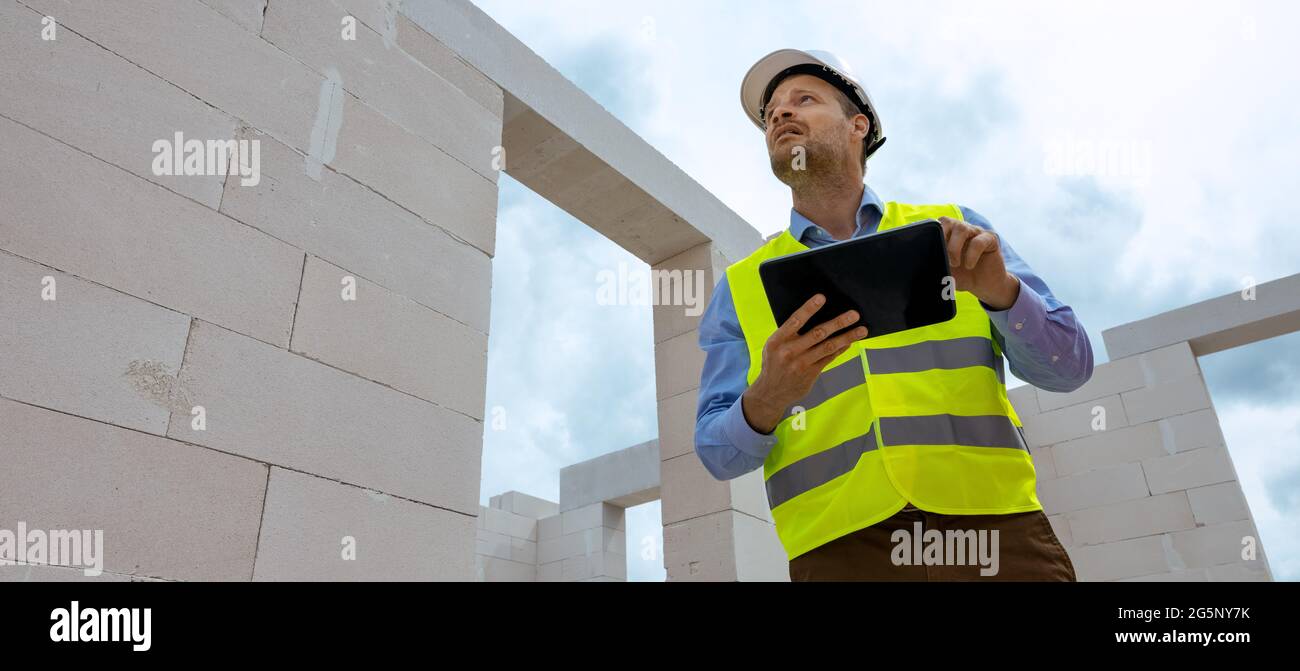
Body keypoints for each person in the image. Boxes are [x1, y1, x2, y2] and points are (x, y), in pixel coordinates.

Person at [694, 49, 1093, 580]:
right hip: (840, 551)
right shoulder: (741, 287)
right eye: (771, 115)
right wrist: (766, 398)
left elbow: (1069, 367)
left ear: (858, 125)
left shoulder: (955, 231)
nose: (780, 116)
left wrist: (1000, 291)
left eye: (803, 100)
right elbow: (717, 455)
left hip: (996, 534)